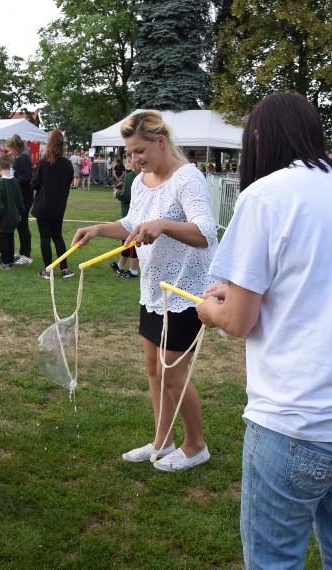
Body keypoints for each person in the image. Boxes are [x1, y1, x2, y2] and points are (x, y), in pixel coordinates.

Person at [195, 92, 332, 568]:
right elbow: (324, 284)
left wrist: (210, 310)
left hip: (301, 418)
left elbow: (239, 320)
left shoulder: (266, 195)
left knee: (274, 561)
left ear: (256, 140)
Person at [71, 110, 217, 471]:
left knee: (173, 373)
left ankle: (196, 445)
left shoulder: (188, 178)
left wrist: (165, 225)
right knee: (154, 368)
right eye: (130, 153)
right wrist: (97, 229)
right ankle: (162, 441)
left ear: (160, 142)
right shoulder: (140, 182)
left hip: (184, 291)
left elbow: (205, 233)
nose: (133, 160)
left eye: (139, 151)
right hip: (153, 290)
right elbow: (133, 224)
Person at [32, 129, 75, 279]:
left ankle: (48, 270)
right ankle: (64, 269)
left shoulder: (43, 164)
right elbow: (68, 182)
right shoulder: (66, 164)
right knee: (57, 237)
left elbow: (35, 184)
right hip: (58, 206)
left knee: (46, 237)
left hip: (44, 206)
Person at [5, 134, 34, 265]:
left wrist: (12, 180)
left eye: (10, 149)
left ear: (16, 147)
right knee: (19, 224)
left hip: (24, 197)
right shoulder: (18, 159)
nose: (8, 152)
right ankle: (22, 252)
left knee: (23, 225)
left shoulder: (24, 159)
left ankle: (27, 255)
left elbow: (27, 178)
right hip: (19, 197)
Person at [0, 154, 23, 269]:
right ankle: (10, 261)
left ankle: (6, 263)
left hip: (4, 216)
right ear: (10, 166)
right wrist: (19, 213)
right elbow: (20, 199)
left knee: (4, 239)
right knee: (10, 237)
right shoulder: (15, 181)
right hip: (14, 215)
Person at [111, 155, 140, 278]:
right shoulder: (138, 176)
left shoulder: (131, 176)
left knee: (131, 240)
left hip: (130, 213)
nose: (126, 163)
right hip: (135, 213)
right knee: (126, 241)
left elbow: (127, 196)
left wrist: (118, 193)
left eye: (128, 160)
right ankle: (121, 265)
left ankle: (133, 270)